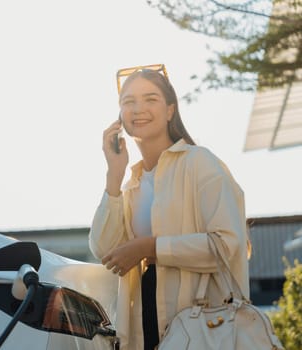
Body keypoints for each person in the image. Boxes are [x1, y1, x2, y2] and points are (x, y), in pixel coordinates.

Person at [88, 65, 250, 350]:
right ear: (119, 116)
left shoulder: (200, 163)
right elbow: (104, 250)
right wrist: (114, 175)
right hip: (146, 325)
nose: (139, 108)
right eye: (129, 101)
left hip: (207, 330)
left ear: (170, 111)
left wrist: (149, 247)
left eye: (151, 99)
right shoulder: (130, 185)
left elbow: (227, 247)